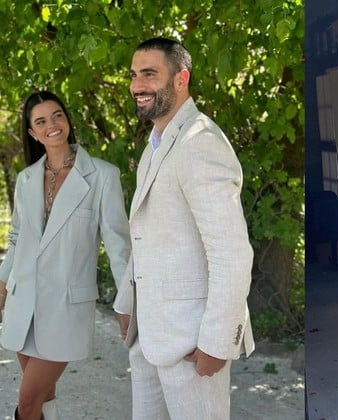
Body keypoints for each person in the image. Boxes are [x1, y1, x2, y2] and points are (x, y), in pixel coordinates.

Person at [113, 37, 254, 419]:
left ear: (181, 79)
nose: (137, 85)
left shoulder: (200, 142)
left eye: (149, 74)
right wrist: (126, 301)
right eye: (133, 75)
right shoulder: (155, 144)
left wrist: (217, 343)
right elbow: (148, 236)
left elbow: (231, 251)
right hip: (148, 335)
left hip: (191, 343)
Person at [0, 90, 131, 420]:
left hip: (65, 307)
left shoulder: (103, 175)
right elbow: (16, 239)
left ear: (67, 120)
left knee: (27, 403)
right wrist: (2, 283)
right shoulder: (26, 179)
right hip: (23, 304)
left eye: (57, 115)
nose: (52, 125)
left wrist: (127, 301)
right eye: (41, 121)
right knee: (44, 399)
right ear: (32, 132)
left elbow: (118, 244)